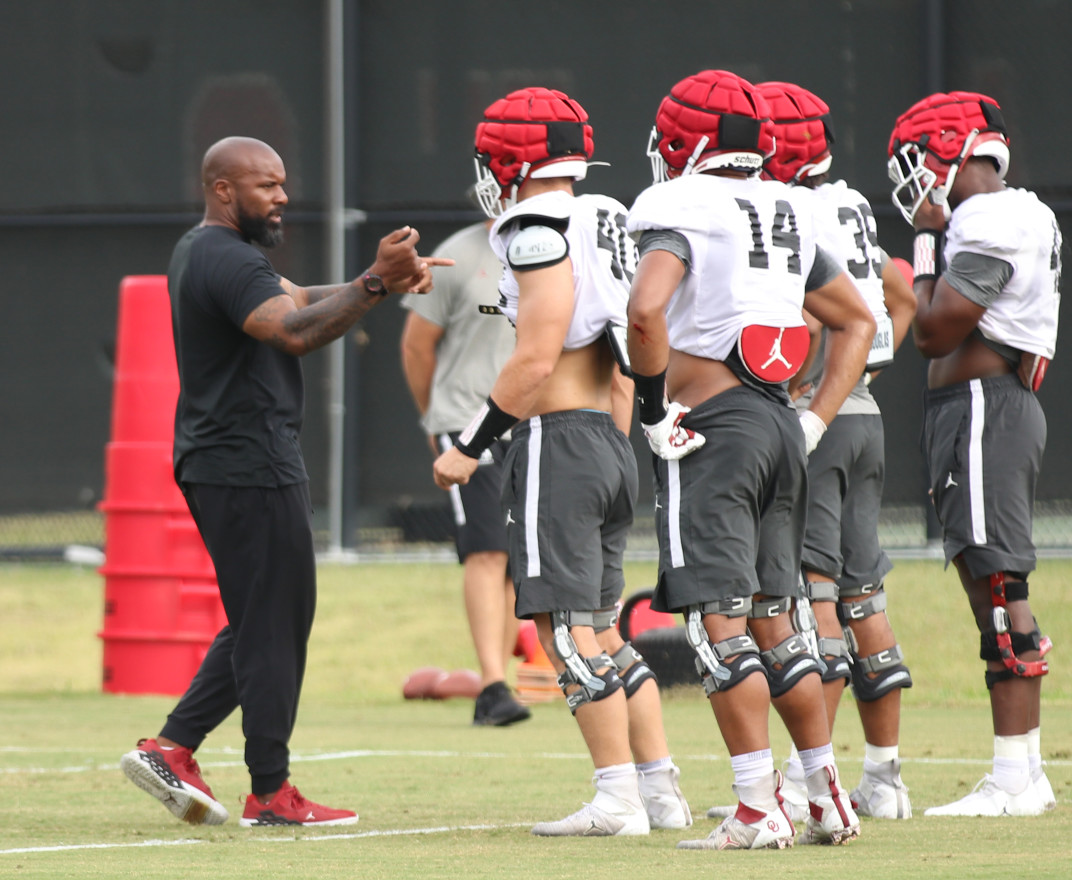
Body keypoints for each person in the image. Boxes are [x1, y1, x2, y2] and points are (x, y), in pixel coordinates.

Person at [119, 136, 450, 827]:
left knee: (267, 619)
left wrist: (382, 283)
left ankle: (174, 746)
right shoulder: (224, 256)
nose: (281, 197)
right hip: (247, 463)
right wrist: (373, 283)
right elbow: (295, 331)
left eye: (282, 183)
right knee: (273, 625)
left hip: (235, 461)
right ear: (222, 189)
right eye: (265, 185)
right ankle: (270, 792)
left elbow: (297, 298)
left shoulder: (212, 254)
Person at [625, 69, 875, 849]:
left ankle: (756, 807)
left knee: (719, 624)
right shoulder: (792, 202)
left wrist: (649, 407)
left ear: (684, 141)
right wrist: (812, 419)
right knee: (778, 619)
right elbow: (857, 322)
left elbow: (644, 308)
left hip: (715, 432)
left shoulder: (677, 203)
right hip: (776, 422)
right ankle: (823, 793)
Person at [432, 87, 691, 837]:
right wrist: (624, 432)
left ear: (512, 158)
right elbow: (626, 344)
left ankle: (616, 798)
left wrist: (468, 448)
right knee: (605, 630)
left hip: (560, 441)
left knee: (566, 632)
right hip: (607, 437)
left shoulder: (534, 227)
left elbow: (538, 354)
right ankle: (658, 788)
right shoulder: (606, 215)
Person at [886, 91, 1061, 816]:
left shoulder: (991, 217)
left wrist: (926, 239)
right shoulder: (1011, 212)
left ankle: (1015, 776)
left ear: (947, 155)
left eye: (915, 163)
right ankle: (1025, 772)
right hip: (979, 408)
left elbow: (932, 330)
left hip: (986, 406)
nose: (912, 180)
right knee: (989, 582)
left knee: (999, 590)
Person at [759, 81, 918, 820]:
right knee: (864, 593)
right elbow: (902, 295)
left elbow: (809, 313)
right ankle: (883, 779)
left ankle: (802, 777)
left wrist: (801, 394)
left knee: (815, 594)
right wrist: (860, 373)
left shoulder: (794, 207)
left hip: (818, 415)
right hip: (867, 413)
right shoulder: (852, 201)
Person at [400, 204, 531, 727]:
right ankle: (493, 684)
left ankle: (496, 684)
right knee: (486, 549)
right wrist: (435, 420)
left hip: (529, 422)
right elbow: (416, 348)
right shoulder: (457, 254)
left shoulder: (553, 245)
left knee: (513, 561)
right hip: (465, 419)